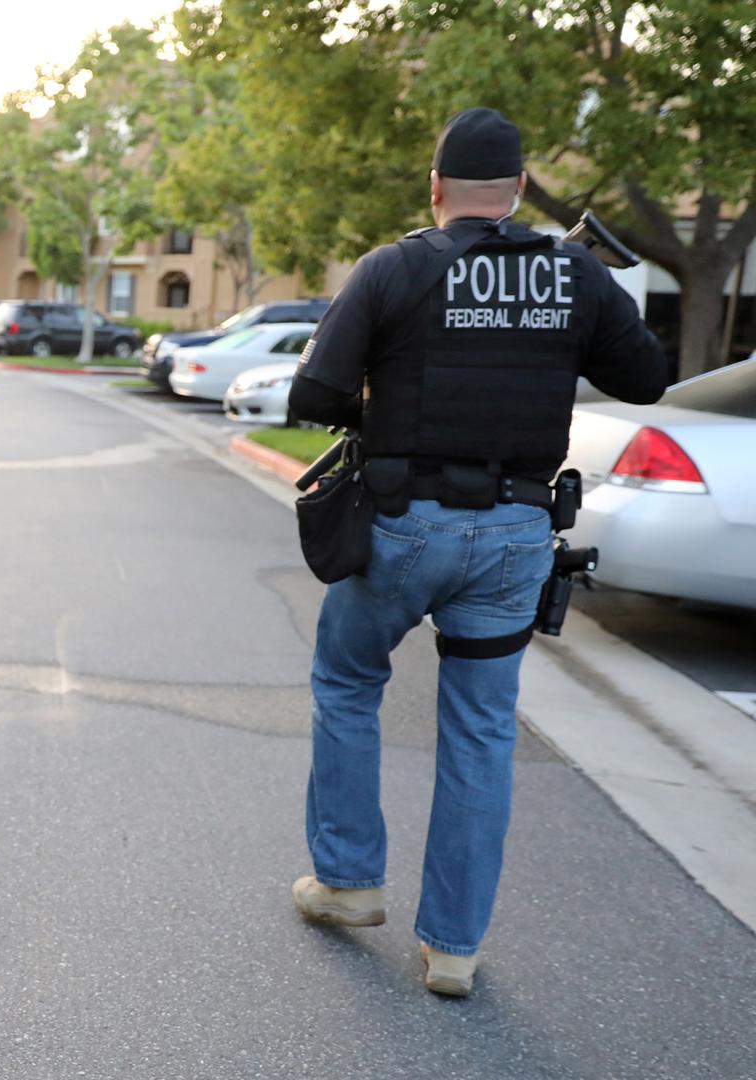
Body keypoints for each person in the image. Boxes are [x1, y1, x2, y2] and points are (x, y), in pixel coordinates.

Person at [286, 107, 667, 997]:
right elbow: (646, 377)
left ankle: (347, 882)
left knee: (347, 680)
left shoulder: (395, 267)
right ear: (522, 189)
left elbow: (314, 392)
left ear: (435, 187)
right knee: (483, 731)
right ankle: (452, 949)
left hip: (402, 531)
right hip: (515, 537)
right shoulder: (571, 272)